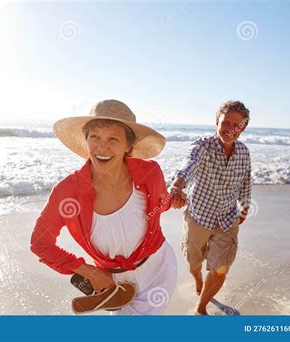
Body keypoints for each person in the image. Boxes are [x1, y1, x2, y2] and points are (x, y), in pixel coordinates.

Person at [30, 99, 178, 315]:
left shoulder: (149, 173)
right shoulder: (67, 192)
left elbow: (161, 202)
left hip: (158, 269)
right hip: (113, 286)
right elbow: (40, 243)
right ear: (86, 140)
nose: (101, 146)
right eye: (95, 137)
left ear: (129, 146)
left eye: (113, 139)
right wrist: (88, 271)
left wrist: (174, 201)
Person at [169, 100, 252, 315]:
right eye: (226, 122)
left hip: (227, 219)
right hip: (199, 216)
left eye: (237, 125)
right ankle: (197, 279)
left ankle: (201, 307)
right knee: (193, 261)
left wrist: (245, 205)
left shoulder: (244, 153)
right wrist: (178, 185)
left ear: (243, 128)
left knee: (220, 268)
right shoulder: (202, 146)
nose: (231, 129)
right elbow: (190, 165)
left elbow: (245, 181)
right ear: (217, 121)